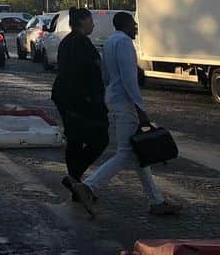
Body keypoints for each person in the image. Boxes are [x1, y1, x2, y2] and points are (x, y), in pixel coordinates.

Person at [69, 12, 182, 217]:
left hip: (114, 98)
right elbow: (129, 79)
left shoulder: (111, 42)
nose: (136, 27)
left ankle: (156, 201)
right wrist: (141, 109)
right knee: (126, 152)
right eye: (133, 24)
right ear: (125, 25)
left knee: (137, 153)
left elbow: (105, 74)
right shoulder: (124, 43)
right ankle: (89, 186)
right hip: (125, 102)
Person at [50, 8, 109, 196]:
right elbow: (83, 74)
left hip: (67, 97)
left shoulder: (68, 42)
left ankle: (76, 184)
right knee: (99, 139)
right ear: (82, 21)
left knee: (75, 141)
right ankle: (75, 178)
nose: (93, 24)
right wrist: (91, 100)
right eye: (91, 21)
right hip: (80, 100)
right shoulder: (80, 43)